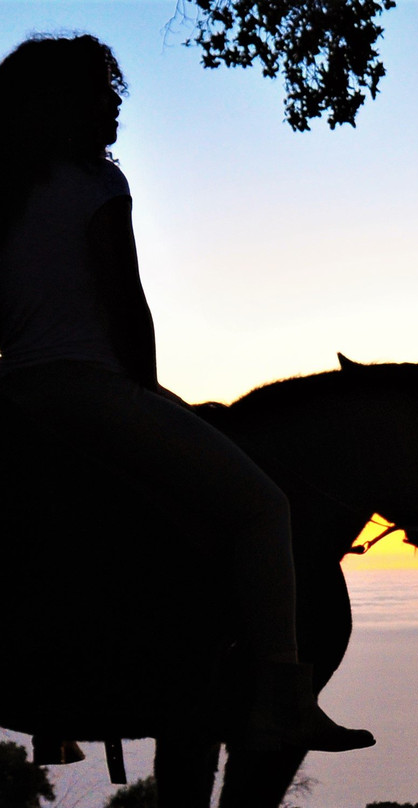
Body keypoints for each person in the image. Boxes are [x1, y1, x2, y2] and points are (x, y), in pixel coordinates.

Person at [0, 33, 374, 754]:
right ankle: (282, 698)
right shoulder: (100, 185)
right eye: (102, 94)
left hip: (19, 396)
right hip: (94, 389)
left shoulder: (4, 195)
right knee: (265, 506)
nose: (115, 107)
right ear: (66, 106)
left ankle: (53, 716)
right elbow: (125, 303)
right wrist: (145, 390)